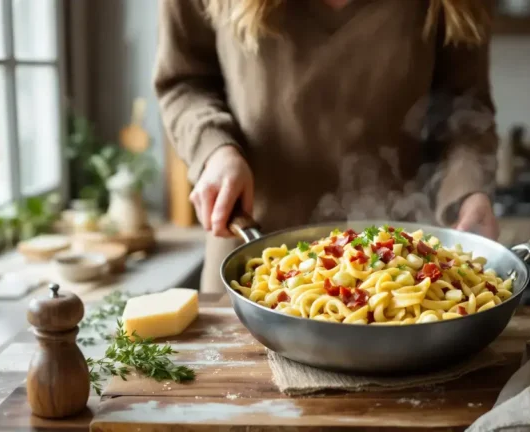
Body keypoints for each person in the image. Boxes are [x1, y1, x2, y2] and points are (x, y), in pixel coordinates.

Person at [154, 0, 500, 293]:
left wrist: (467, 189)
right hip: (250, 262)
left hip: (404, 273)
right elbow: (185, 81)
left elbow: (464, 108)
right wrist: (216, 150)